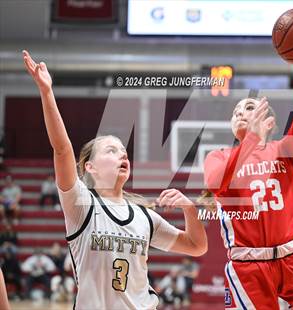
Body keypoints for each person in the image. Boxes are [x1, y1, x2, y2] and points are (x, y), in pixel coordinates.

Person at [23, 50, 207, 309]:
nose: (122, 154)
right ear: (90, 167)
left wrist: (189, 209)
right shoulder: (80, 205)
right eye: (111, 150)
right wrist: (46, 92)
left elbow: (197, 246)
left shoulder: (144, 216)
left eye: (123, 150)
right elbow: (62, 149)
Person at [203, 35, 293, 310]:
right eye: (236, 112)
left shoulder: (284, 150)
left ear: (269, 121)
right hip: (249, 266)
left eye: (248, 107)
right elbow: (215, 182)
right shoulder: (218, 156)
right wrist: (251, 141)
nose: (241, 113)